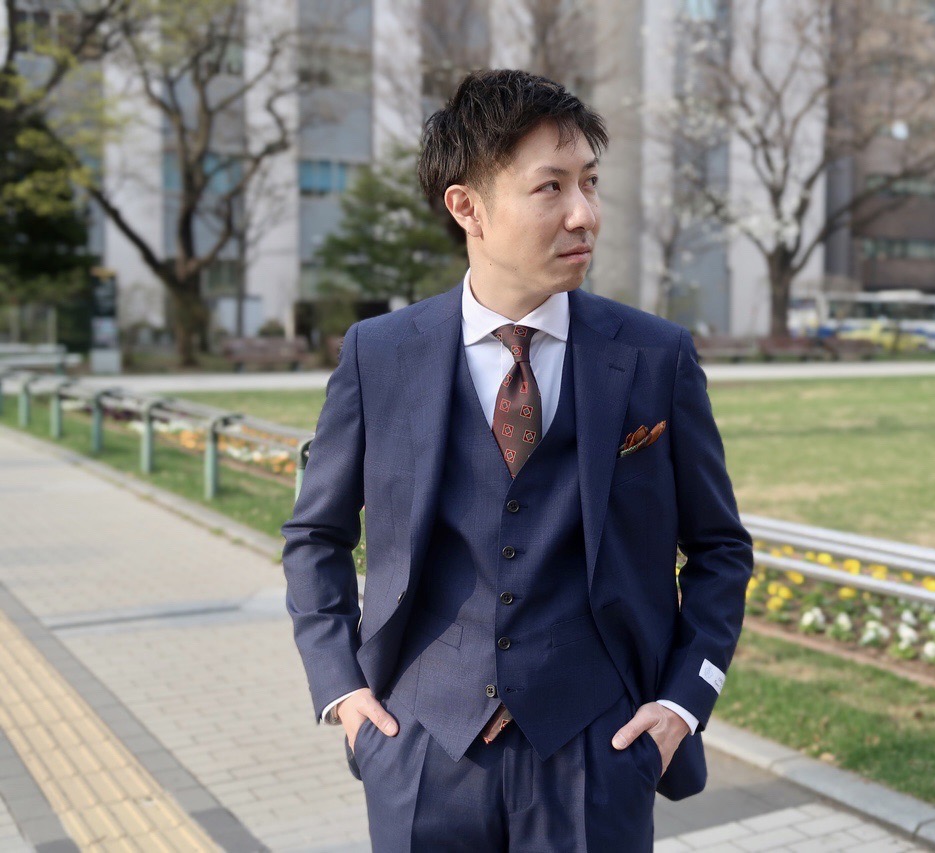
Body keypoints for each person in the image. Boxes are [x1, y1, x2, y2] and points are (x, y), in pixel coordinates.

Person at [282, 69, 753, 851]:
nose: (584, 213)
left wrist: (682, 704)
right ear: (466, 206)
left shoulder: (654, 355)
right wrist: (342, 690)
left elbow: (720, 548)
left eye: (590, 182)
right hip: (421, 747)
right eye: (551, 187)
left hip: (598, 752)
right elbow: (315, 535)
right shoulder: (380, 354)